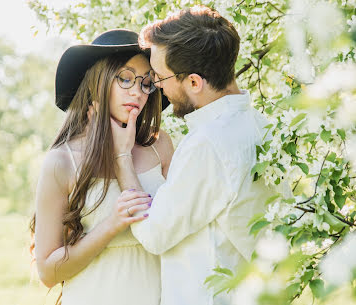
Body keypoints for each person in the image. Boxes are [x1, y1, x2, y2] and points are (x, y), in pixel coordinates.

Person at [111, 7, 278, 305]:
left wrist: (123, 159)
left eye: (160, 77)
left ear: (194, 83)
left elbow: (154, 234)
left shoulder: (208, 144)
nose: (157, 87)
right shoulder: (263, 127)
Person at [30, 29, 174, 305]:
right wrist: (111, 225)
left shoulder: (160, 146)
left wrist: (123, 156)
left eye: (146, 82)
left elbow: (176, 233)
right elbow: (47, 271)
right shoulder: (63, 161)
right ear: (99, 81)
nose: (137, 91)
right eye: (125, 78)